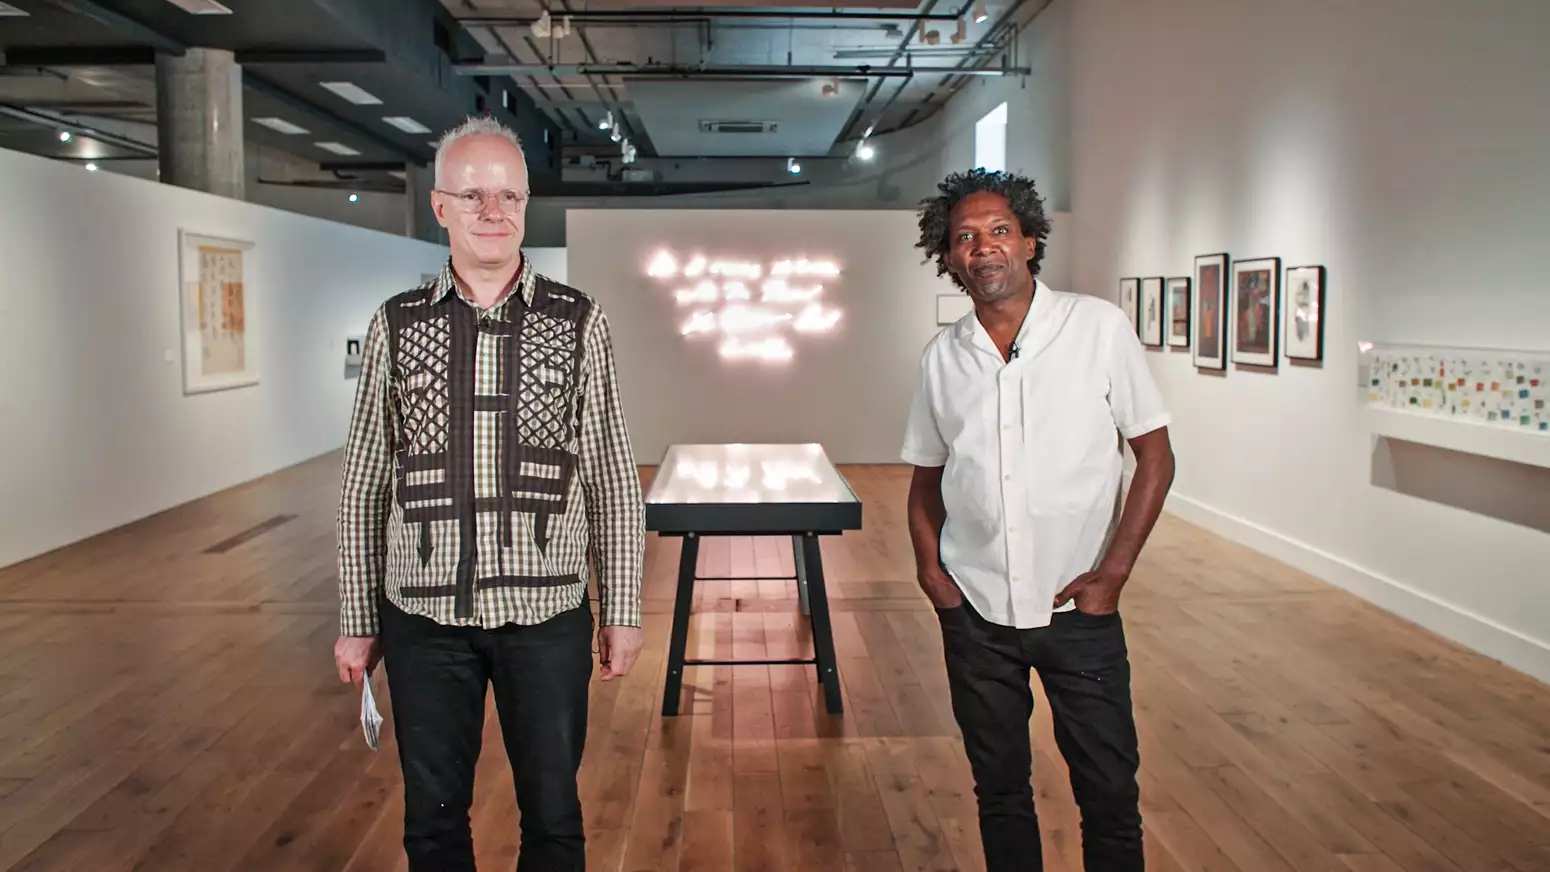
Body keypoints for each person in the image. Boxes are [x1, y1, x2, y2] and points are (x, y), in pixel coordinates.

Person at [332, 115, 646, 871]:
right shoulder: (396, 326)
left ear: (527, 204)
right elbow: (366, 478)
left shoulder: (578, 321)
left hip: (547, 615)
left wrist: (624, 610)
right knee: (434, 818)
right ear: (439, 207)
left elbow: (609, 468)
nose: (492, 212)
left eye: (508, 195)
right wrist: (355, 617)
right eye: (472, 196)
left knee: (553, 811)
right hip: (425, 617)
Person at [901, 168, 1175, 872]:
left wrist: (1111, 574)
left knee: (1109, 791)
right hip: (978, 613)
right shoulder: (943, 357)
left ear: (1029, 240)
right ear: (947, 256)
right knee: (999, 791)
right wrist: (934, 575)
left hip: (1076, 611)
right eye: (965, 237)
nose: (983, 248)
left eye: (998, 231)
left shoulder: (1096, 328)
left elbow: (1155, 457)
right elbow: (927, 480)